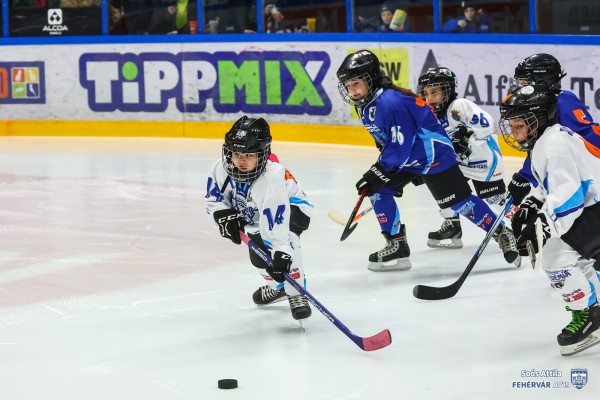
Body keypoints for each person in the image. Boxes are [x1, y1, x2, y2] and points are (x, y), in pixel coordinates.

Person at [335, 50, 519, 272]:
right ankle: (397, 246)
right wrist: (381, 167)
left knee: (460, 202)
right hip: (410, 157)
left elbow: (400, 146)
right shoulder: (369, 103)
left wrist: (379, 170)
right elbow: (391, 142)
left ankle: (501, 232)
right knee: (377, 191)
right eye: (347, 85)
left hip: (434, 156)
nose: (351, 90)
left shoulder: (391, 102)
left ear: (370, 78)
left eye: (355, 83)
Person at [499, 84, 600, 355]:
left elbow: (570, 197)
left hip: (595, 208)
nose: (515, 131)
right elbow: (552, 186)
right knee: (569, 256)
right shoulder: (547, 140)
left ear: (540, 119)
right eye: (513, 124)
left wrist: (541, 227)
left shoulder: (553, 144)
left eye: (521, 124)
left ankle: (591, 316)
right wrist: (534, 203)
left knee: (556, 256)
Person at [204, 116, 313, 320]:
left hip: (292, 208)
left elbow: (275, 222)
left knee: (286, 244)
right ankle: (279, 287)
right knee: (259, 257)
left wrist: (281, 251)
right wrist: (221, 215)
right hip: (254, 211)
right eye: (236, 154)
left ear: (262, 154)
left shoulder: (271, 177)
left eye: (248, 155)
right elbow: (213, 200)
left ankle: (296, 293)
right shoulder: (221, 168)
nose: (241, 160)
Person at [505, 53, 600, 272]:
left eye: (525, 82)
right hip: (583, 172)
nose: (520, 87)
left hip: (589, 174)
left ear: (542, 79)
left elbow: (563, 150)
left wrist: (524, 177)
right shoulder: (544, 103)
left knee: (575, 214)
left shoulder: (561, 102)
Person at [417, 67, 506, 250]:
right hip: (458, 163)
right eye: (426, 93)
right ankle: (453, 226)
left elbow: (487, 124)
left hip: (483, 162)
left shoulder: (459, 106)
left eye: (435, 92)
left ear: (448, 90)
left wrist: (466, 136)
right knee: (444, 189)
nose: (430, 99)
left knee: (494, 199)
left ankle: (526, 223)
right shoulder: (430, 115)